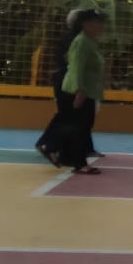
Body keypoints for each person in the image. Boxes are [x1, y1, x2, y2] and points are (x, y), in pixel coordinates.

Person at [57, 9, 107, 174]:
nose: (100, 26)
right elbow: (77, 67)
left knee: (83, 125)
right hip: (80, 90)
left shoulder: (89, 41)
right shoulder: (81, 42)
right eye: (96, 23)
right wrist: (79, 90)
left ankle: (74, 159)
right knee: (79, 126)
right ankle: (79, 163)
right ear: (85, 24)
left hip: (89, 90)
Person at [36, 10, 85, 168]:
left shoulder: (73, 38)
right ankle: (48, 145)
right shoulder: (74, 40)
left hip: (66, 81)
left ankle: (57, 149)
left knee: (68, 116)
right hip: (68, 82)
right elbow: (71, 61)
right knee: (67, 116)